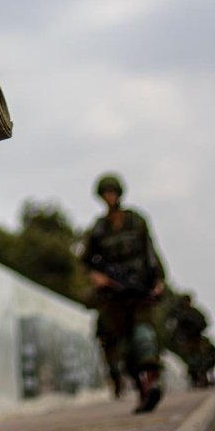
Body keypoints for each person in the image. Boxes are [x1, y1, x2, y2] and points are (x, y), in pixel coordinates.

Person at [80, 173, 166, 413]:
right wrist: (97, 277)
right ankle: (142, 390)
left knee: (144, 337)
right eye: (105, 193)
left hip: (140, 291)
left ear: (119, 193)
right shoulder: (99, 228)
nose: (109, 197)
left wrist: (159, 279)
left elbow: (150, 250)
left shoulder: (136, 220)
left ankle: (152, 383)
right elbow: (86, 260)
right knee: (126, 346)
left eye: (112, 192)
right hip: (114, 296)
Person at [166, 293, 213, 388]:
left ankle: (202, 378)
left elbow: (204, 323)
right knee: (191, 360)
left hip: (196, 339)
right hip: (186, 340)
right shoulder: (179, 313)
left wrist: (196, 328)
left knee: (202, 359)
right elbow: (172, 326)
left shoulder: (194, 312)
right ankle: (196, 379)